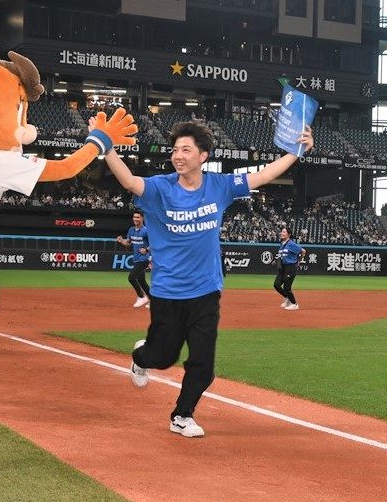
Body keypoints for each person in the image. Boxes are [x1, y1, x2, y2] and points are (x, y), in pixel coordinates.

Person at [102, 120, 313, 437]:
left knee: (203, 365)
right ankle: (140, 357)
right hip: (169, 293)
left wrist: (296, 151)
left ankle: (181, 415)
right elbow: (130, 181)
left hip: (206, 292)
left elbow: (264, 175)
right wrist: (107, 148)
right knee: (163, 357)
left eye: (186, 150)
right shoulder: (160, 188)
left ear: (203, 156)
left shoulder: (220, 185)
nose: (178, 155)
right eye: (175, 150)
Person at [116, 210, 151, 307]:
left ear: (142, 218)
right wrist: (121, 241)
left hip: (144, 258)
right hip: (136, 258)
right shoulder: (131, 230)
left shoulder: (146, 231)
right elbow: (128, 243)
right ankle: (153, 300)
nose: (135, 219)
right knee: (141, 280)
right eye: (134, 217)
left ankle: (141, 297)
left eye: (138, 217)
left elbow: (154, 243)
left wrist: (147, 250)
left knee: (131, 277)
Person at [273, 226, 306, 310]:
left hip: (290, 267)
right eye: (282, 232)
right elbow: (282, 255)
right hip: (283, 268)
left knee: (287, 288)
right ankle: (287, 297)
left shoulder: (291, 244)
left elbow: (303, 251)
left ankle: (294, 304)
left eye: (284, 232)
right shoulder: (282, 244)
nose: (282, 233)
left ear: (289, 234)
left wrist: (299, 260)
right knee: (276, 285)